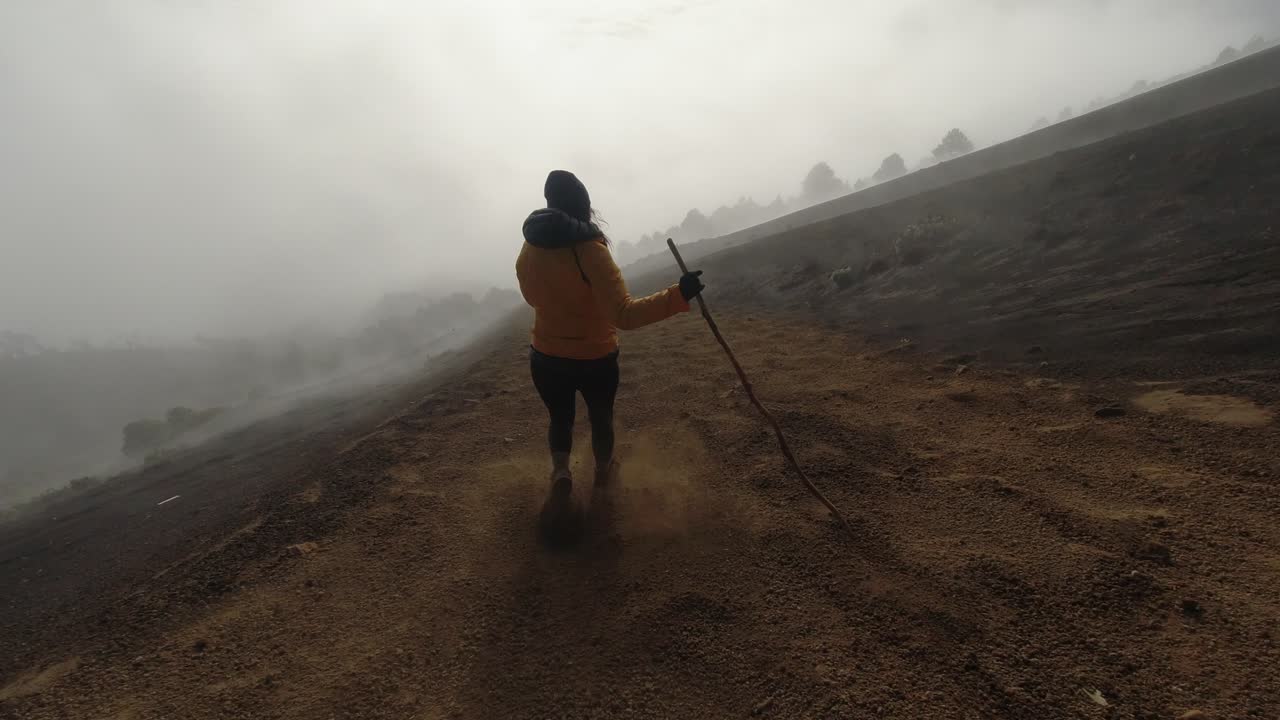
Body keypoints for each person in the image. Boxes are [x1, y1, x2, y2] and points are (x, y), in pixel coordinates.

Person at [516, 170, 705, 503]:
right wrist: (680, 294)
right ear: (582, 206)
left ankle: (561, 472)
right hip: (595, 359)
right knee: (601, 418)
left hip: (545, 357)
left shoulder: (528, 249)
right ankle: (603, 476)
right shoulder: (591, 250)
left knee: (560, 417)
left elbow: (532, 298)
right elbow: (624, 315)